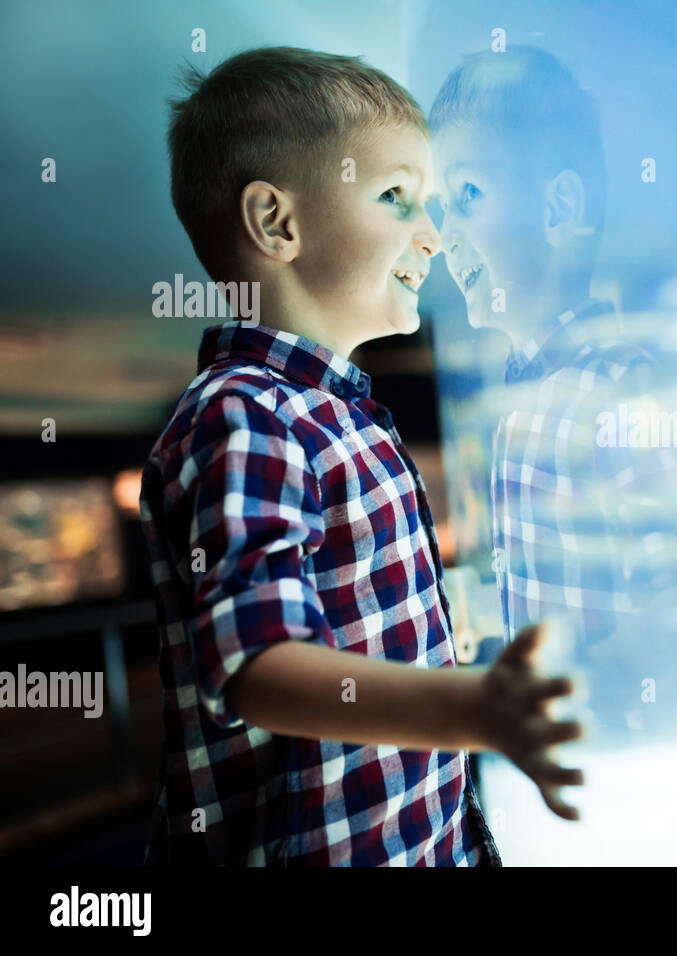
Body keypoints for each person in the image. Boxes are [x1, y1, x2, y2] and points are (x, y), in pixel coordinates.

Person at [138, 46, 583, 867]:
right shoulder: (245, 414)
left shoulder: (336, 416)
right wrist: (474, 708)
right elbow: (257, 663)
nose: (434, 234)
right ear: (277, 223)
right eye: (396, 197)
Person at [427, 47, 677, 702]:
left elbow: (674, 594)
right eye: (440, 209)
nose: (444, 236)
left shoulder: (621, 384)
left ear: (558, 209)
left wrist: (590, 695)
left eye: (467, 195)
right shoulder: (518, 397)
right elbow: (564, 580)